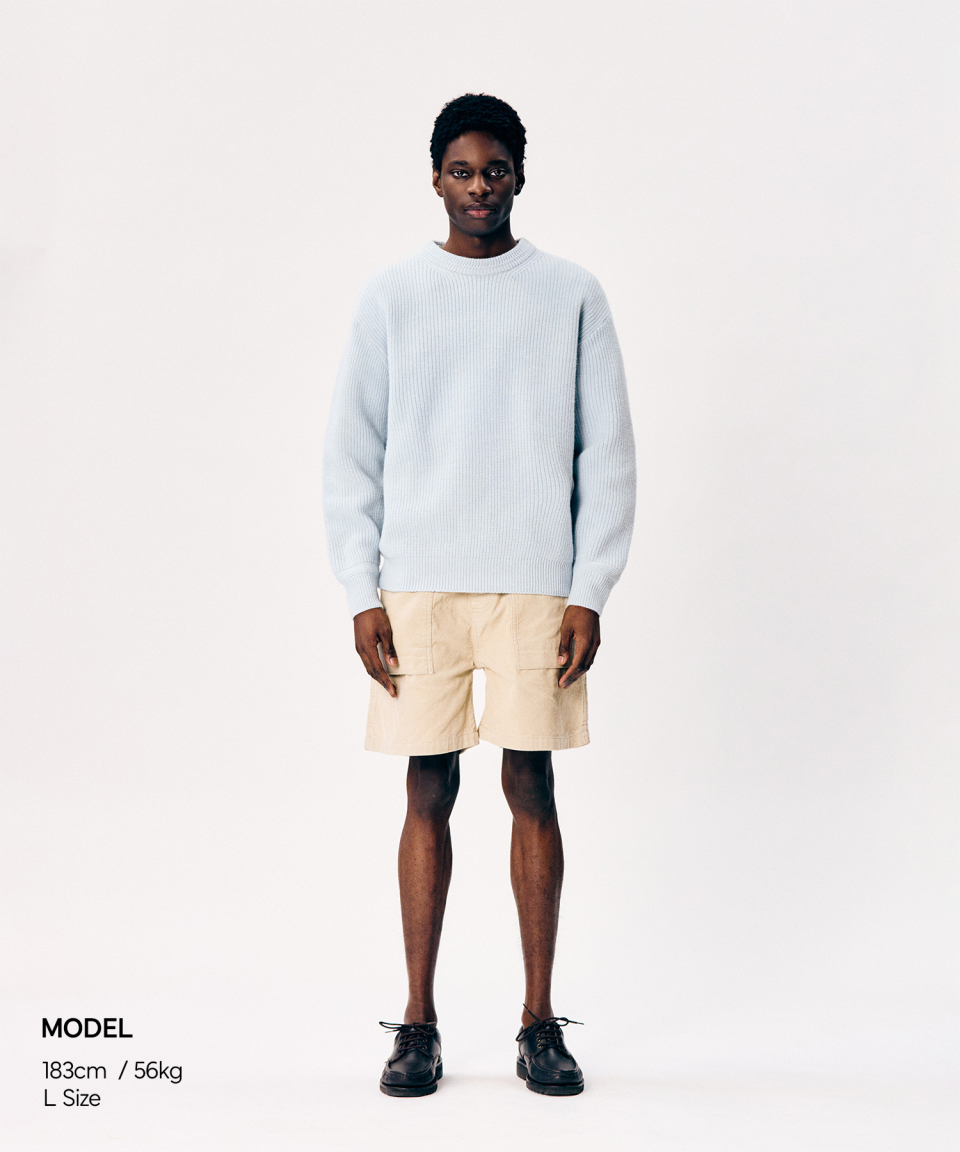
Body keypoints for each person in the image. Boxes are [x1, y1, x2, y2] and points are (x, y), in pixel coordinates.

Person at [323, 93, 636, 1097]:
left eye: (496, 169)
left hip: (535, 581)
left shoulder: (570, 294)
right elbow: (352, 450)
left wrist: (590, 588)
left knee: (531, 785)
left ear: (520, 176)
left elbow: (607, 452)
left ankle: (538, 1021)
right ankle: (417, 1022)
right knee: (428, 788)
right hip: (418, 581)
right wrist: (361, 588)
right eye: (461, 170)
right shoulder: (393, 296)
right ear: (434, 179)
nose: (479, 187)